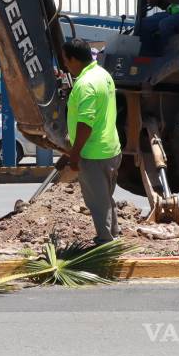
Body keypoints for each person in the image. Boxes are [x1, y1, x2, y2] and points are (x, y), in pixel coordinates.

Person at [55, 38, 122, 245]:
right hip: (110, 148)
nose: (65, 65)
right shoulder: (103, 75)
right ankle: (114, 234)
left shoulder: (85, 84)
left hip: (93, 153)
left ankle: (105, 242)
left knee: (97, 202)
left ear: (74, 59)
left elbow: (85, 124)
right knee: (105, 197)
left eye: (66, 60)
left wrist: (74, 155)